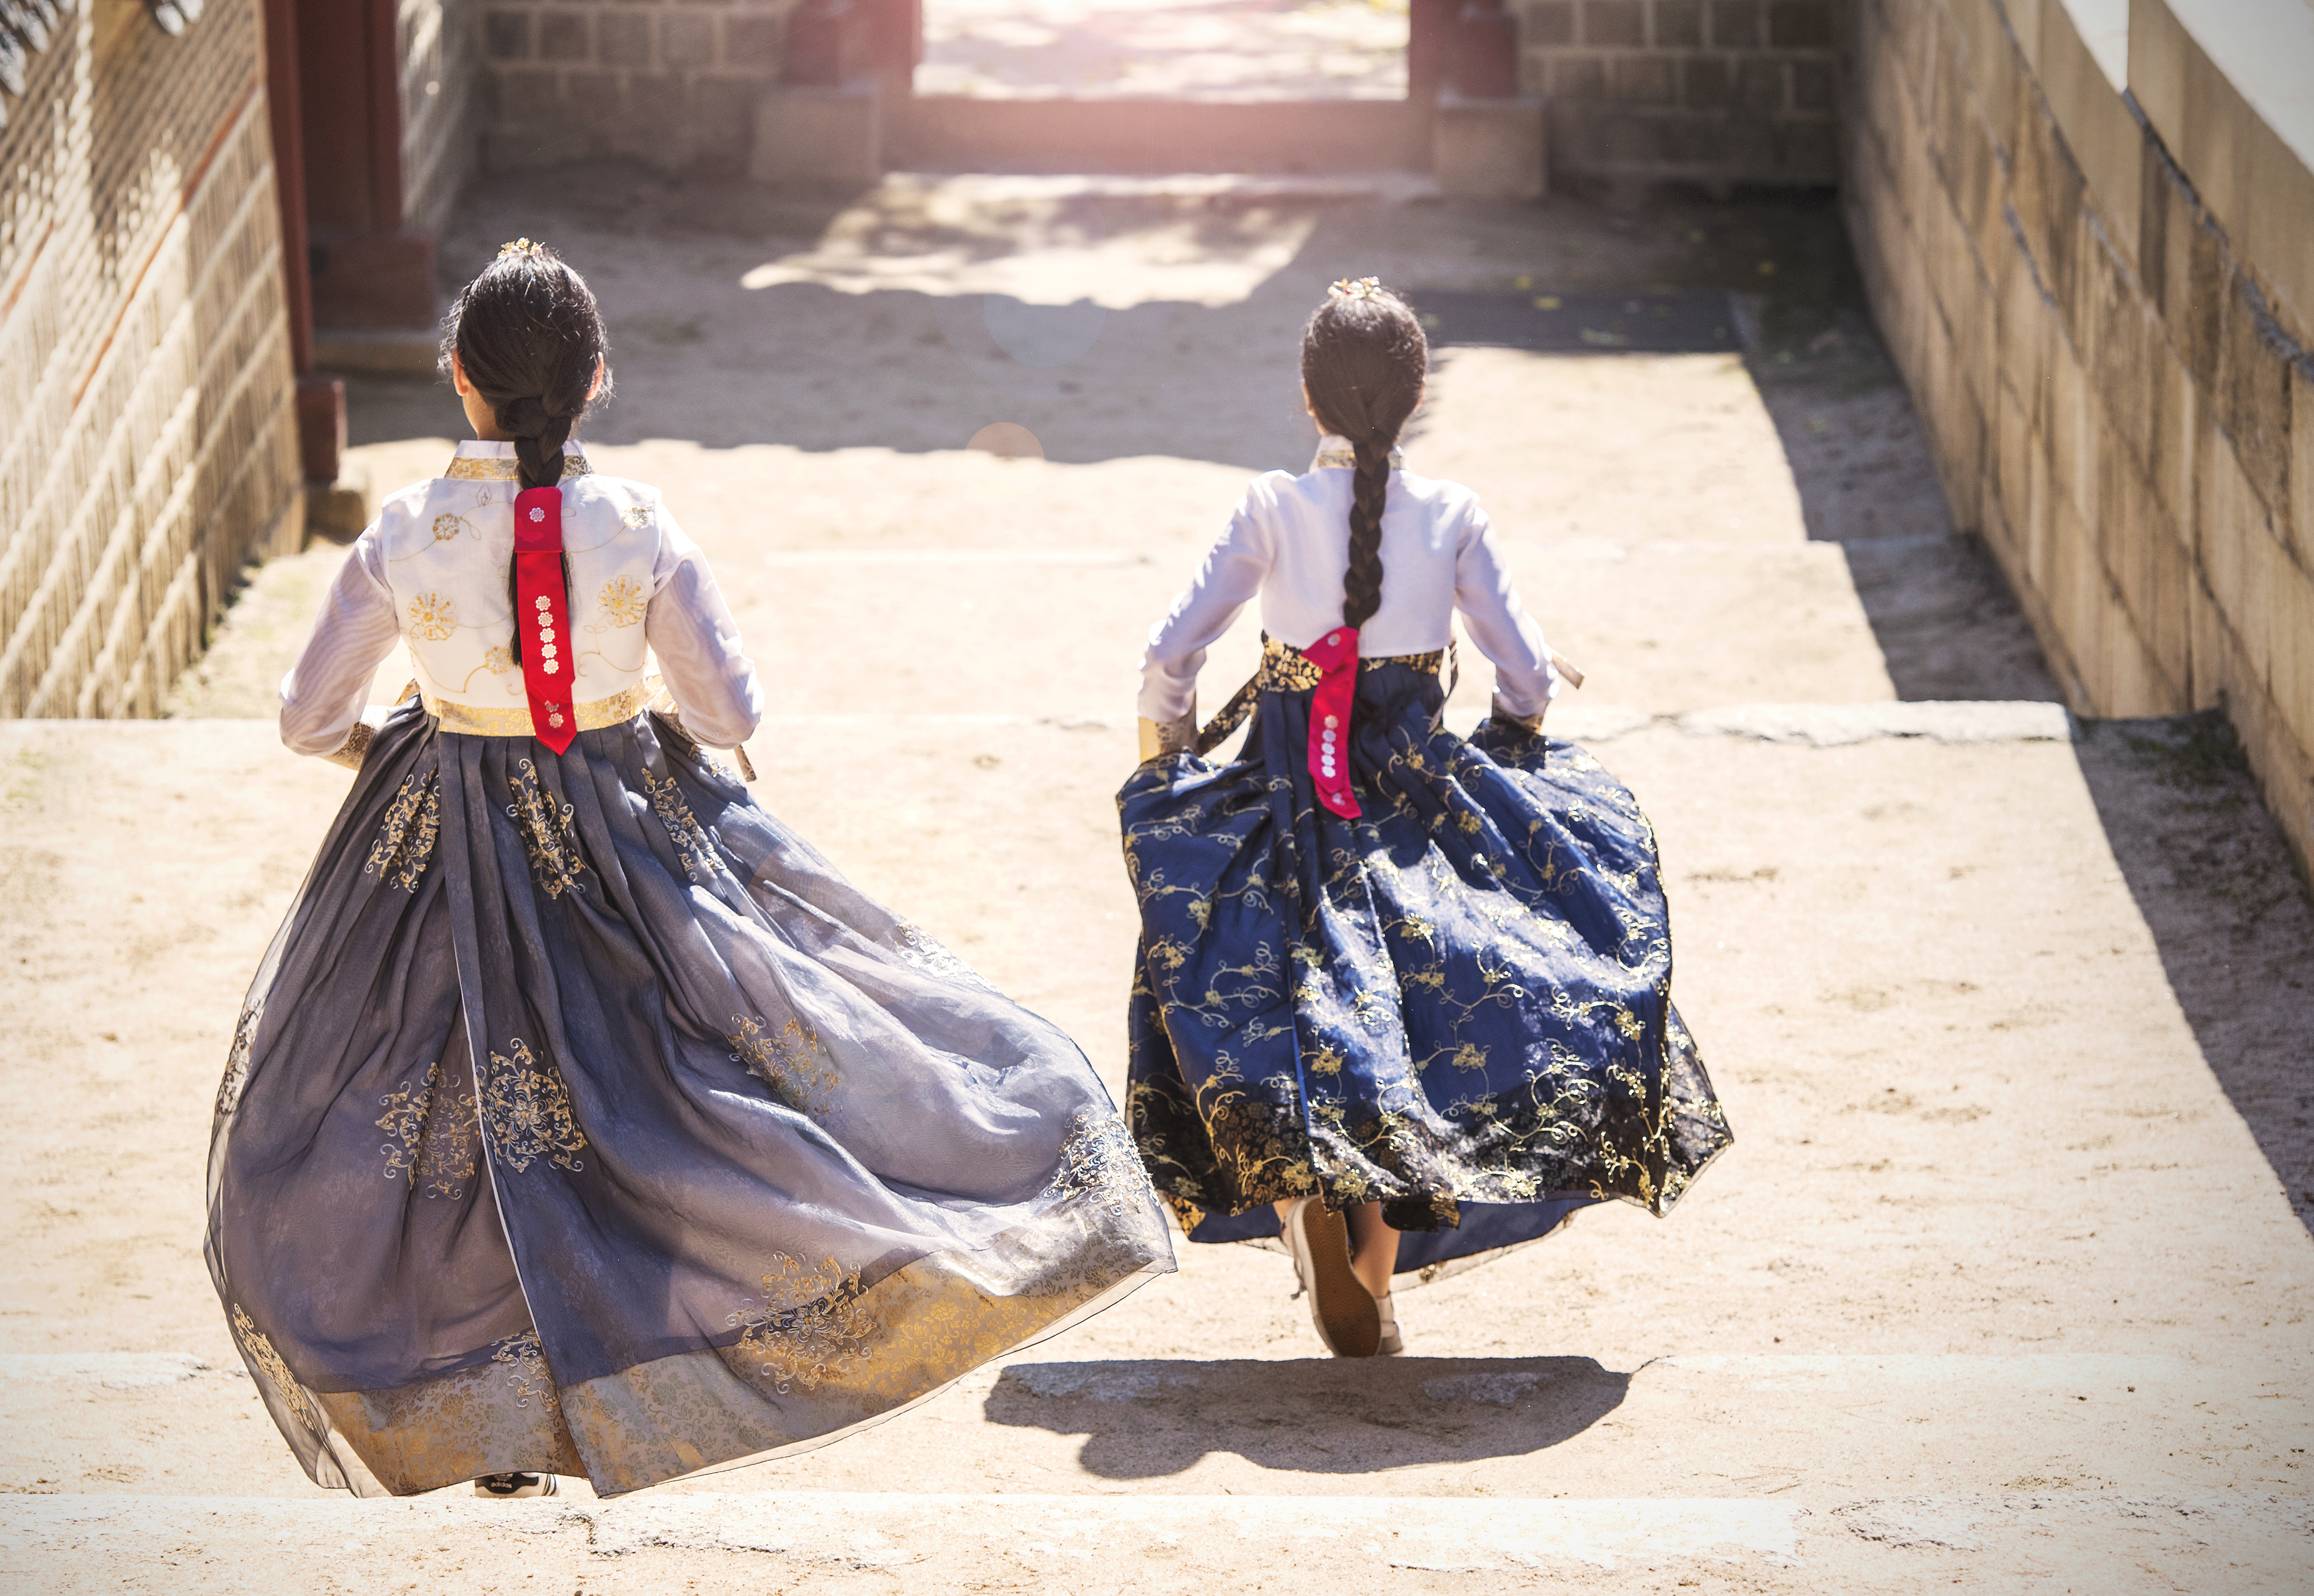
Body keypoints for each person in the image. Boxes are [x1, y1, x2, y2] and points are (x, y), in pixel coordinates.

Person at [207, 241, 1172, 1500]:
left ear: (457, 378)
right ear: (596, 380)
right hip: (624, 833)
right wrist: (626, 701)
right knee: (657, 1088)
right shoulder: (638, 526)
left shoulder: (408, 532)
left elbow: (302, 715)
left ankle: (499, 1408)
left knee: (464, 1107)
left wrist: (389, 748)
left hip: (444, 842)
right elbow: (727, 711)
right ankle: (662, 1359)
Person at [1120, 279, 1730, 1359]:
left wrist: (1164, 747)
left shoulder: (1270, 507)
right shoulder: (1452, 513)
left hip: (1286, 789)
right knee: (1422, 1007)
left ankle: (1312, 1207)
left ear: (1308, 398)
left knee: (1290, 984)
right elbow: (1525, 667)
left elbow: (1173, 654)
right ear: (1414, 400)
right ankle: (1371, 1282)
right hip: (1415, 798)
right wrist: (1515, 732)